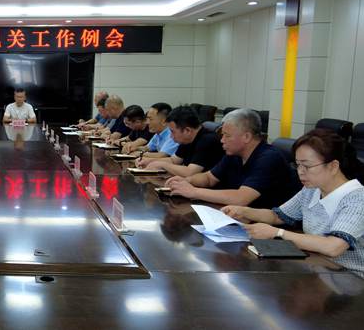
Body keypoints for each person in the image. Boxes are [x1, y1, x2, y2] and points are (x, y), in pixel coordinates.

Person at [222, 129, 364, 275]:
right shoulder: (312, 189)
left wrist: (278, 233)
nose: (300, 172)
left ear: (333, 166)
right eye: (298, 165)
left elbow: (333, 247)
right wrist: (244, 211)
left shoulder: (357, 198)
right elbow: (278, 216)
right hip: (319, 267)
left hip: (352, 279)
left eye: (307, 166)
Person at [166, 108, 300, 208]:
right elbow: (209, 178)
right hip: (241, 216)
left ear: (246, 137)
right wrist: (186, 181)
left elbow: (241, 198)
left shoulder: (269, 158)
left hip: (270, 225)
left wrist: (194, 192)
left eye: (227, 135)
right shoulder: (234, 153)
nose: (222, 140)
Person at [142, 105, 224, 176]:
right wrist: (148, 161)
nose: (171, 136)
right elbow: (174, 160)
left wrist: (162, 165)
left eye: (172, 132)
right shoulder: (187, 139)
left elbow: (190, 172)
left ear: (187, 130)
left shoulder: (207, 140)